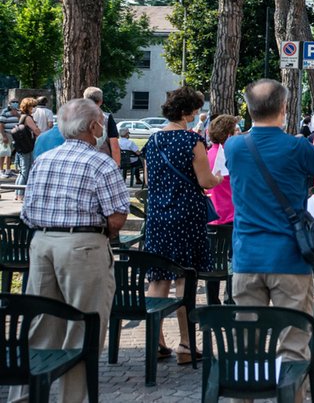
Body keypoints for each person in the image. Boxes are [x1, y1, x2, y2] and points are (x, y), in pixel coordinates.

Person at [226, 79, 314, 400]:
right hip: (290, 259)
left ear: (249, 109)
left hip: (246, 259)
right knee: (293, 345)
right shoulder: (297, 147)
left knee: (246, 344)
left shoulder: (234, 146)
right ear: (284, 108)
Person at [16, 99, 130, 403]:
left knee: (40, 321)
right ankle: (72, 398)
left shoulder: (45, 159)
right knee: (84, 324)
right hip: (83, 246)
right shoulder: (101, 163)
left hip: (42, 243)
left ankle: (23, 394)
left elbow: (27, 211)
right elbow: (117, 216)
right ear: (93, 126)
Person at [142, 86, 221, 363]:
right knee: (185, 279)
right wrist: (219, 178)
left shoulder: (152, 141)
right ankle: (186, 345)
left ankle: (155, 340)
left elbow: (149, 181)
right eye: (196, 109)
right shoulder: (191, 141)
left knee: (158, 277)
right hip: (187, 215)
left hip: (158, 216)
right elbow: (205, 180)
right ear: (187, 112)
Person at [207, 114, 240, 225]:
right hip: (229, 216)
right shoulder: (231, 156)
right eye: (236, 131)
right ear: (229, 135)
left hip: (210, 215)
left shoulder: (207, 154)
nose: (239, 133)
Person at [83, 87, 120, 166]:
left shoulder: (75, 117)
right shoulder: (107, 118)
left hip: (81, 160)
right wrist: (117, 165)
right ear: (101, 101)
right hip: (103, 161)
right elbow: (114, 145)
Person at [12, 98, 42, 194]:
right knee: (25, 170)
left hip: (23, 146)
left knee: (22, 171)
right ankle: (20, 194)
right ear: (28, 107)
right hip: (27, 146)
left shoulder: (22, 116)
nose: (34, 108)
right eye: (33, 106)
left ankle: (18, 193)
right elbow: (36, 131)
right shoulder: (27, 117)